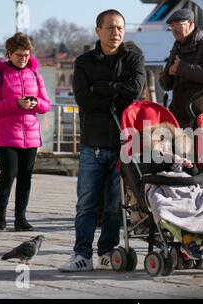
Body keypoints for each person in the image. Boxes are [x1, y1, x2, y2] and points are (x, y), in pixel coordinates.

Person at [58, 9, 146, 272]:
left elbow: (134, 90)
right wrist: (114, 93)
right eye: (110, 28)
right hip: (92, 144)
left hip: (123, 145)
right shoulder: (84, 62)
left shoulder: (133, 58)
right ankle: (81, 254)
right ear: (98, 31)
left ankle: (107, 251)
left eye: (120, 28)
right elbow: (84, 98)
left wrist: (102, 88)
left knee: (113, 205)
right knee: (86, 203)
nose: (116, 32)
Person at [0, 32, 51, 232]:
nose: (24, 59)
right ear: (9, 54)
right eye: (19, 55)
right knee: (9, 173)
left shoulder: (34, 74)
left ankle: (20, 218)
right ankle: (0, 215)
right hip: (5, 134)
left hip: (30, 134)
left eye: (26, 55)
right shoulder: (0, 74)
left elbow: (46, 105)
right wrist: (16, 104)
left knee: (26, 176)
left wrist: (34, 103)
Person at [145, 122, 203, 260]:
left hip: (187, 187)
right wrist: (170, 159)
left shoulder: (178, 160)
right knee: (178, 206)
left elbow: (194, 175)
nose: (164, 148)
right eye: (159, 145)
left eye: (167, 145)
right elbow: (153, 167)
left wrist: (189, 166)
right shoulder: (149, 162)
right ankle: (187, 242)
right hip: (167, 188)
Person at [159, 8, 203, 128]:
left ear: (190, 24)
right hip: (179, 118)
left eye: (178, 25)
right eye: (172, 26)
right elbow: (165, 85)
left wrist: (182, 67)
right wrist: (168, 73)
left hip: (201, 118)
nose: (174, 29)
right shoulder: (177, 47)